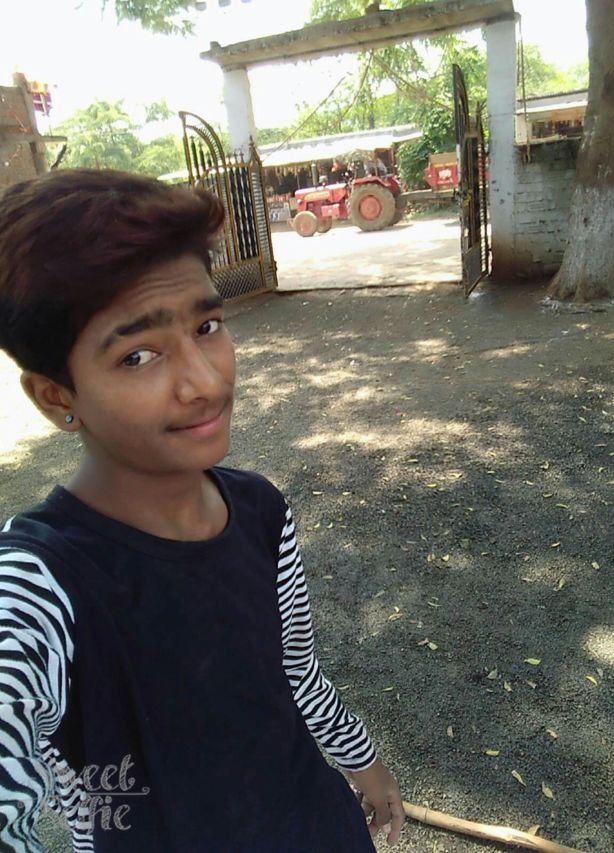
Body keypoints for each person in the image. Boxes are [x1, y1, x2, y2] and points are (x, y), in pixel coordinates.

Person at [0, 169, 404, 852]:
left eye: (207, 326)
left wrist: (361, 760)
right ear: (55, 396)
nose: (207, 381)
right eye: (138, 355)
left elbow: (295, 670)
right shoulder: (39, 586)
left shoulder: (259, 509)